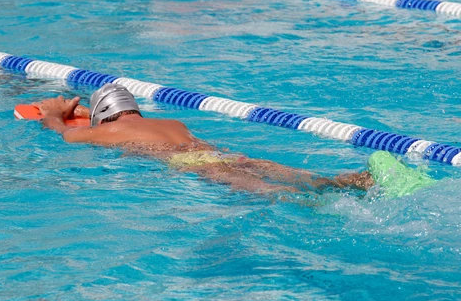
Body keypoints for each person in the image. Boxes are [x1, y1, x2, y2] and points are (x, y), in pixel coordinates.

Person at [32, 83, 375, 195]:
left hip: (192, 164)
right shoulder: (174, 121)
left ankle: (317, 206)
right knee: (284, 173)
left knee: (271, 193)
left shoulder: (104, 131)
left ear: (103, 116)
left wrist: (53, 111)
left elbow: (62, 133)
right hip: (222, 153)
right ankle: (348, 181)